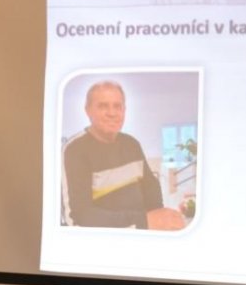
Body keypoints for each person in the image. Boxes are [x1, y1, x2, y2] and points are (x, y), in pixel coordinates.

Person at [62, 80, 185, 230]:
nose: (112, 113)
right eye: (103, 106)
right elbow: (78, 217)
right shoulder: (75, 149)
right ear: (88, 110)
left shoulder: (131, 144)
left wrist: (159, 217)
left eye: (117, 106)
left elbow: (150, 187)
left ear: (124, 110)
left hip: (141, 232)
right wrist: (143, 221)